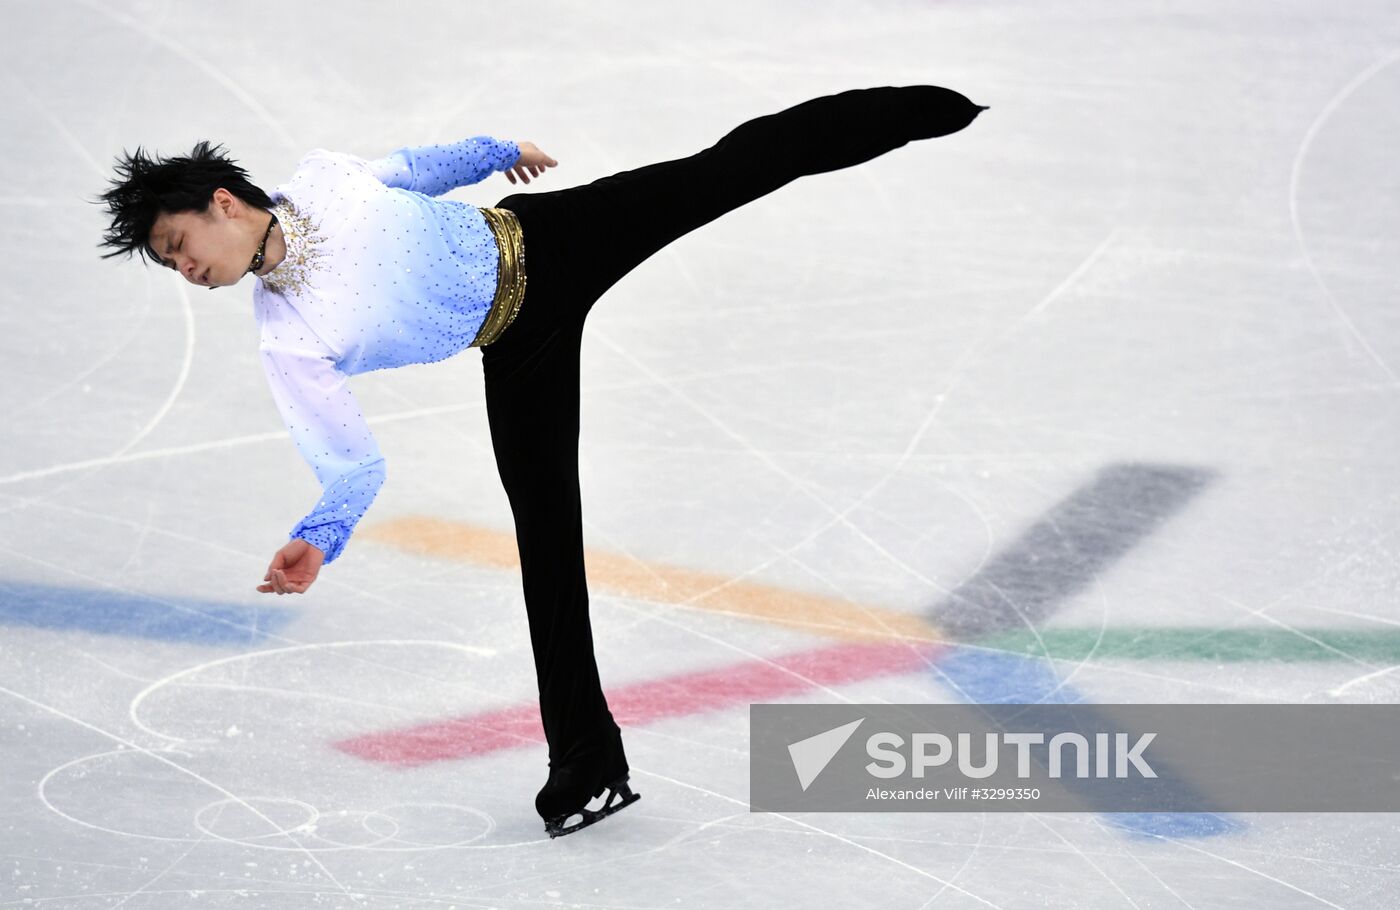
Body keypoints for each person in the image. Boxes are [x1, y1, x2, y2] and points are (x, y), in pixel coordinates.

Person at [95, 85, 987, 837]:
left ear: (222, 202)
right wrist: (319, 537)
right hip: (521, 349)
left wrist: (496, 152)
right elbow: (352, 463)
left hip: (554, 236)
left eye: (177, 247)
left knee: (728, 167)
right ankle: (588, 766)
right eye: (169, 265)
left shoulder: (326, 179)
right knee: (548, 546)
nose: (185, 271)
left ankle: (909, 111)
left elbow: (413, 169)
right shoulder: (286, 339)